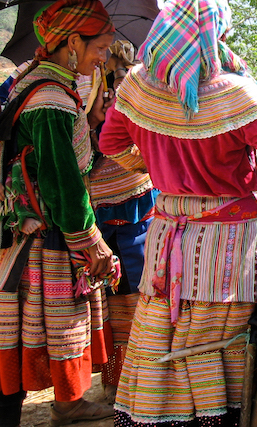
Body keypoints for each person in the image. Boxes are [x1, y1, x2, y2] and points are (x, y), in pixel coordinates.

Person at [99, 0, 257, 427]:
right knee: (218, 334)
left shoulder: (138, 87)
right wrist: (255, 179)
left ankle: (152, 414)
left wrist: (155, 168)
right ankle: (215, 416)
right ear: (215, 34)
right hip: (225, 242)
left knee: (159, 326)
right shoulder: (234, 92)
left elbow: (110, 141)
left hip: (166, 230)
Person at [0, 0, 118, 426]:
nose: (104, 57)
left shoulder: (35, 79)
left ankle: (68, 403)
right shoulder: (50, 97)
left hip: (33, 224)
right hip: (45, 232)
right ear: (72, 41)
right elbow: (61, 181)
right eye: (100, 47)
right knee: (43, 323)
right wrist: (91, 242)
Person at [87, 40, 159, 402]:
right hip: (105, 206)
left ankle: (141, 380)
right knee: (117, 296)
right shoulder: (84, 87)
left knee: (142, 291)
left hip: (138, 202)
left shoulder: (134, 84)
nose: (106, 58)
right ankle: (119, 383)